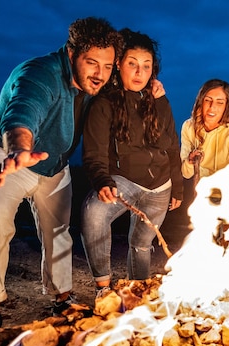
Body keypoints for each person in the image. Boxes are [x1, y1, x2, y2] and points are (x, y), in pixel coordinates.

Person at [0, 17, 122, 345]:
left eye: (107, 66)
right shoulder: (40, 73)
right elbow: (22, 111)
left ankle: (61, 297)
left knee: (58, 233)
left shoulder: (98, 85)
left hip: (53, 166)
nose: (100, 73)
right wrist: (19, 149)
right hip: (6, 157)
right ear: (71, 54)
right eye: (91, 62)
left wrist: (152, 86)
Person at [80, 28, 182, 298]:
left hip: (160, 186)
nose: (139, 73)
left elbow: (171, 146)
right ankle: (103, 287)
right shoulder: (103, 103)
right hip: (124, 181)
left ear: (153, 70)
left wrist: (179, 188)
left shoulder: (159, 102)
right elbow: (94, 151)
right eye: (132, 64)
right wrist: (102, 180)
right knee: (93, 213)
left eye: (146, 66)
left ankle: (139, 291)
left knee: (141, 243)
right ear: (119, 65)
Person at [179, 79, 229, 216]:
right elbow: (186, 173)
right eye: (208, 100)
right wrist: (190, 161)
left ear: (227, 106)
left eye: (219, 102)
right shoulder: (188, 127)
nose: (212, 107)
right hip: (199, 195)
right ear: (201, 101)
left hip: (228, 198)